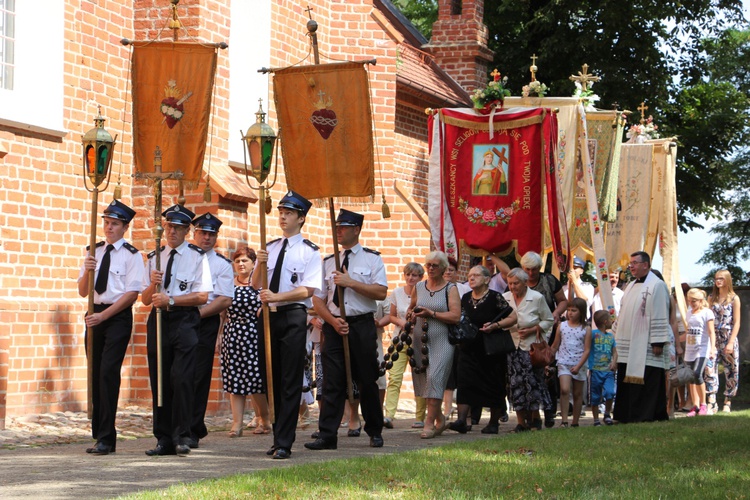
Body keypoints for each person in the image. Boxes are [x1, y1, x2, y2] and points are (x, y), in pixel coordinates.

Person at [306, 209, 388, 451]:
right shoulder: (328, 261)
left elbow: (381, 292)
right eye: (337, 227)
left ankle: (374, 430)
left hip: (361, 324)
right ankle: (327, 435)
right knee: (332, 381)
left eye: (343, 227)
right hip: (334, 326)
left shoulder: (372, 259)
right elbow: (318, 299)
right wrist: (331, 320)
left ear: (356, 229)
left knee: (367, 378)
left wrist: (351, 282)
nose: (338, 231)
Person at [252, 190, 322, 460]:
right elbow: (257, 284)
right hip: (269, 316)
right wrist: (260, 264)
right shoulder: (270, 247)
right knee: (271, 377)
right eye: (281, 212)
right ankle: (277, 434)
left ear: (301, 218)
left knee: (289, 379)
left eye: (289, 213)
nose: (282, 216)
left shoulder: (309, 252)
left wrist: (278, 296)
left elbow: (307, 290)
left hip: (292, 315)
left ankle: (284, 441)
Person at [142, 204, 212, 456]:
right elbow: (145, 299)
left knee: (182, 378)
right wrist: (153, 285)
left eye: (178, 227)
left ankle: (182, 434)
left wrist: (171, 300)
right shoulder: (154, 257)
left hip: (184, 320)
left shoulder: (197, 256)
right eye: (169, 226)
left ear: (186, 231)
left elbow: (202, 295)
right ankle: (163, 437)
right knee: (159, 378)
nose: (172, 231)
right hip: (159, 319)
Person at [77, 200, 144, 455]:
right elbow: (83, 291)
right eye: (106, 223)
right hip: (93, 314)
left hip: (116, 317)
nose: (108, 228)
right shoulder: (93, 251)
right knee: (95, 373)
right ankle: (99, 435)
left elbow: (131, 295)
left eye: (114, 224)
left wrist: (104, 317)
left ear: (125, 227)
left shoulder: (131, 255)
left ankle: (107, 437)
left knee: (107, 372)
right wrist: (87, 271)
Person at [448, 266, 516, 435]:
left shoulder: (495, 297)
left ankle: (493, 423)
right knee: (464, 382)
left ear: (487, 279)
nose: (471, 278)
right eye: (470, 276)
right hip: (468, 347)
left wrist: (495, 325)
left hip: (490, 349)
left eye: (476, 275)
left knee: (493, 383)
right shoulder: (465, 298)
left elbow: (513, 317)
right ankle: (462, 420)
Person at [189, 213, 234, 448]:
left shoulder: (221, 264)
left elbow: (225, 299)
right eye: (202, 232)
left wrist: (196, 315)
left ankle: (193, 428)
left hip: (204, 321)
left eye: (211, 234)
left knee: (198, 376)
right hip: (180, 319)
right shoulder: (183, 257)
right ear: (194, 233)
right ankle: (184, 425)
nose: (206, 237)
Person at [612, 251, 671, 424]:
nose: (631, 266)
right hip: (628, 342)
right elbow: (623, 312)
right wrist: (614, 331)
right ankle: (626, 414)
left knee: (649, 380)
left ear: (645, 265)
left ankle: (647, 414)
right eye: (630, 263)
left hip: (647, 344)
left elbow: (660, 311)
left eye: (635, 263)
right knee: (626, 379)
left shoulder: (657, 285)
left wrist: (657, 340)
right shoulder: (629, 285)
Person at [408, 251, 461, 439]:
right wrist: (411, 315)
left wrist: (432, 314)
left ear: (444, 268)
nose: (430, 268)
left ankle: (429, 423)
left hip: (442, 340)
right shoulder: (419, 287)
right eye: (428, 265)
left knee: (435, 379)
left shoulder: (450, 289)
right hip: (419, 339)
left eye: (435, 265)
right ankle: (439, 418)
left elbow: (455, 316)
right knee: (424, 383)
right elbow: (411, 307)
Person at [220, 246, 270, 437]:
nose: (241, 264)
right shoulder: (228, 284)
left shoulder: (259, 284)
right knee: (234, 380)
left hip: (253, 334)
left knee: (256, 380)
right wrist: (219, 336)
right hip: (232, 335)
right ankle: (237, 423)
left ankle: (265, 419)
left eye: (245, 261)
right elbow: (223, 313)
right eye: (237, 261)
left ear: (253, 263)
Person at [503, 268, 555, 432]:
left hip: (531, 348)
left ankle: (535, 418)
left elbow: (549, 320)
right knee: (515, 383)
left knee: (532, 383)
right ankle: (520, 422)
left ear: (525, 282)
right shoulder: (505, 298)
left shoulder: (537, 298)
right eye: (510, 283)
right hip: (512, 347)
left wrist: (534, 329)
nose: (512, 287)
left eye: (516, 283)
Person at [519, 251, 567, 427]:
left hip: (546, 333)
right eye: (527, 269)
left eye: (534, 270)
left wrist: (555, 314)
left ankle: (549, 412)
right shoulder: (518, 281)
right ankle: (530, 414)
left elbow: (562, 301)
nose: (531, 273)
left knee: (547, 373)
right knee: (527, 375)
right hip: (525, 334)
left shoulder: (549, 280)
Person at [383, 263, 427, 429]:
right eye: (408, 274)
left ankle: (420, 416)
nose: (410, 278)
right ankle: (389, 415)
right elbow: (392, 316)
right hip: (400, 339)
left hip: (418, 340)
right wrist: (403, 322)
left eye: (414, 275)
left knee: (420, 376)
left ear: (420, 278)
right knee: (395, 376)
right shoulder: (397, 293)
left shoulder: (424, 294)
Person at [551, 298, 591, 428]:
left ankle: (575, 421)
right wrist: (548, 360)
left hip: (579, 364)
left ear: (581, 312)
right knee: (564, 389)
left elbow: (587, 350)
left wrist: (579, 366)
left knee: (578, 393)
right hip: (563, 362)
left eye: (574, 310)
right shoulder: (562, 326)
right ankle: (564, 420)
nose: (570, 313)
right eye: (568, 310)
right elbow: (555, 345)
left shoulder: (586, 328)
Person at [707, 270, 741, 413]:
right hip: (713, 336)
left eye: (721, 278)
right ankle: (711, 401)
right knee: (710, 368)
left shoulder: (734, 298)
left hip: (728, 335)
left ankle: (728, 401)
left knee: (731, 369)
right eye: (716, 278)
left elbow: (737, 321)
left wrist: (731, 342)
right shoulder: (711, 297)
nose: (718, 281)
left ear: (727, 280)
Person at [684, 288, 716, 417]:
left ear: (701, 300)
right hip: (690, 349)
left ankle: (703, 404)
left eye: (694, 301)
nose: (692, 303)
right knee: (691, 376)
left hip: (702, 349)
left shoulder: (707, 313)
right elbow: (688, 331)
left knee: (697, 374)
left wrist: (712, 348)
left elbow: (711, 332)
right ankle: (695, 405)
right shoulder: (689, 313)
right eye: (690, 301)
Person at [588, 310, 617, 426]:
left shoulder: (611, 336)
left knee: (610, 392)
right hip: (595, 371)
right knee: (595, 396)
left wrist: (614, 363)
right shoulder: (593, 334)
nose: (612, 321)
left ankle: (607, 414)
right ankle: (596, 419)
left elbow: (615, 352)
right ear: (605, 322)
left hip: (608, 371)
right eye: (610, 319)